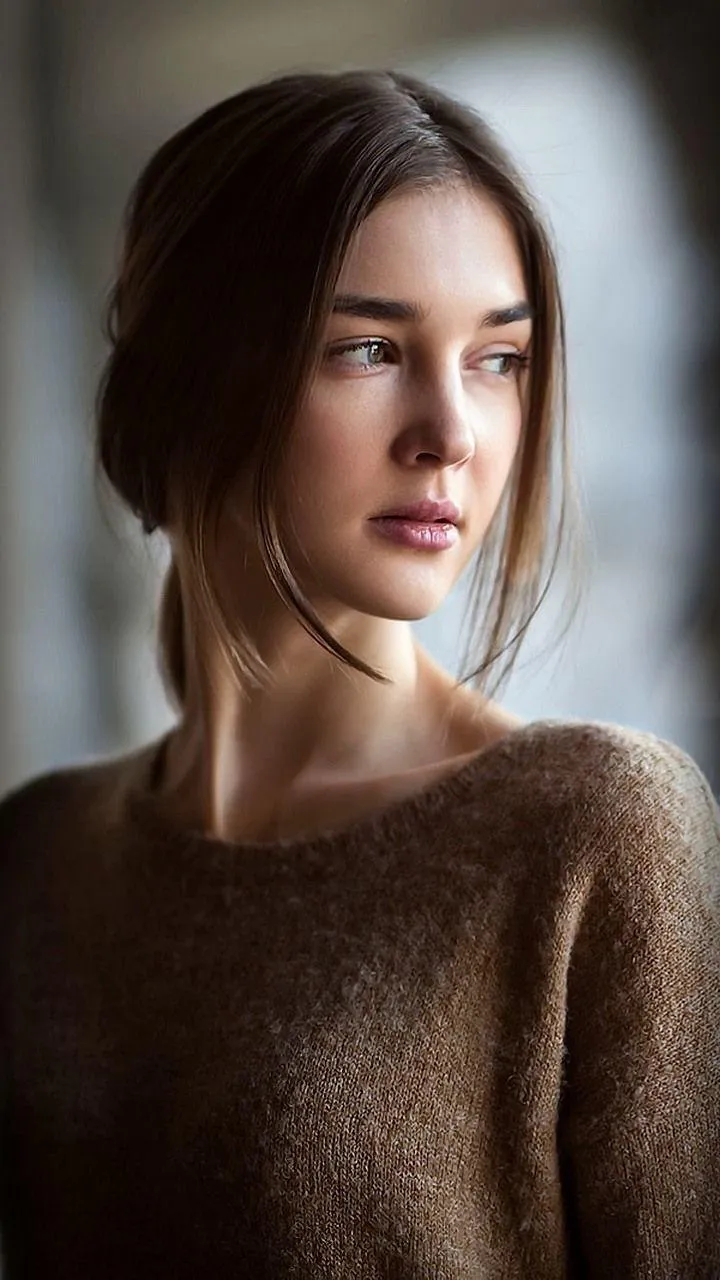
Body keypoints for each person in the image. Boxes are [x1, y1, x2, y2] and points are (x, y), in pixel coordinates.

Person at [0, 68, 718, 1279]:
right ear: (192, 375)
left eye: (498, 358)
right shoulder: (34, 858)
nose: (454, 429)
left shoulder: (595, 832)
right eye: (372, 347)